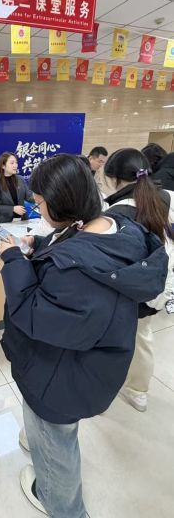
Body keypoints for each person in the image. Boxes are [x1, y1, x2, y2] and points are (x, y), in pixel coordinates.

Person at [0, 154, 167, 518]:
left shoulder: (73, 269)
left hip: (59, 377)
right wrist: (41, 245)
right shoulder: (116, 227)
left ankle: (62, 505)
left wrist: (12, 260)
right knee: (58, 435)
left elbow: (32, 312)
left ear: (60, 203)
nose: (39, 212)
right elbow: (74, 252)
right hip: (90, 364)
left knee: (55, 442)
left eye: (40, 204)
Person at [104, 148, 174, 412]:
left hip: (130, 292)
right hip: (161, 288)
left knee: (114, 343)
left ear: (113, 179)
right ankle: (138, 391)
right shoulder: (169, 196)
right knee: (142, 337)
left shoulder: (117, 212)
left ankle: (106, 391)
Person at [0, 152, 35, 223]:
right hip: (5, 221)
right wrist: (12, 209)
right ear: (3, 166)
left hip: (22, 220)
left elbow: (29, 197)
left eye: (16, 162)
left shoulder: (20, 179)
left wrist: (43, 197)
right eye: (12, 163)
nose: (15, 165)